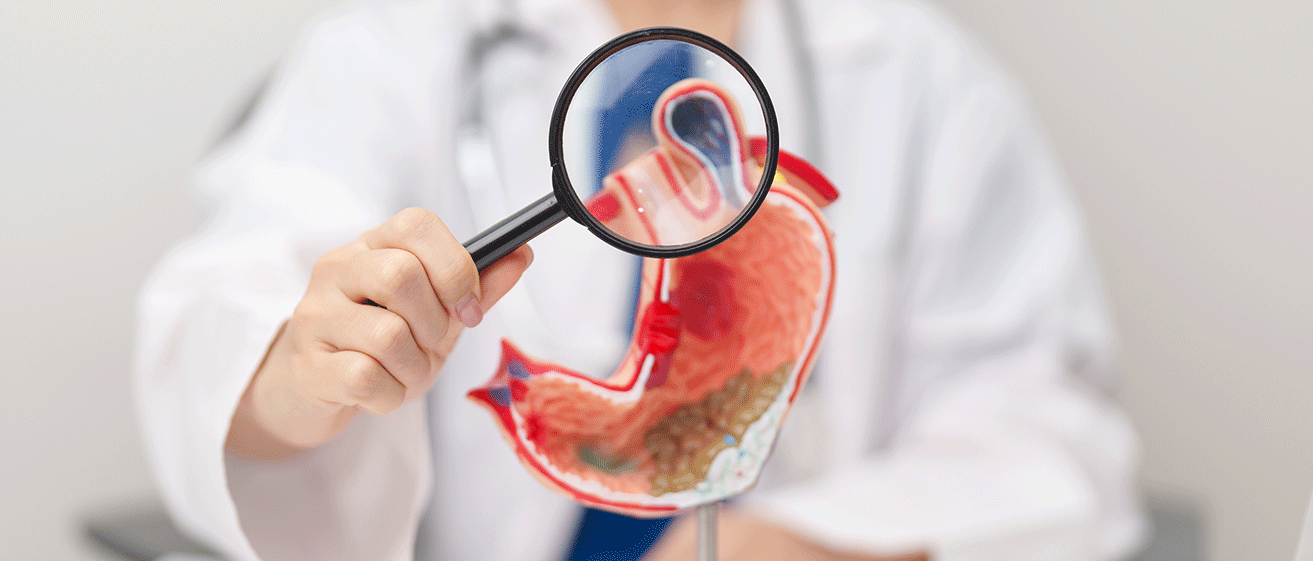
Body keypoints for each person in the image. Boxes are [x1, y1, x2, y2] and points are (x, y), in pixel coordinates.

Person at [134, 0, 1147, 560]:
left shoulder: (923, 80)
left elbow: (1041, 427)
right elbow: (219, 324)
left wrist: (815, 543)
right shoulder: (394, 52)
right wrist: (296, 370)